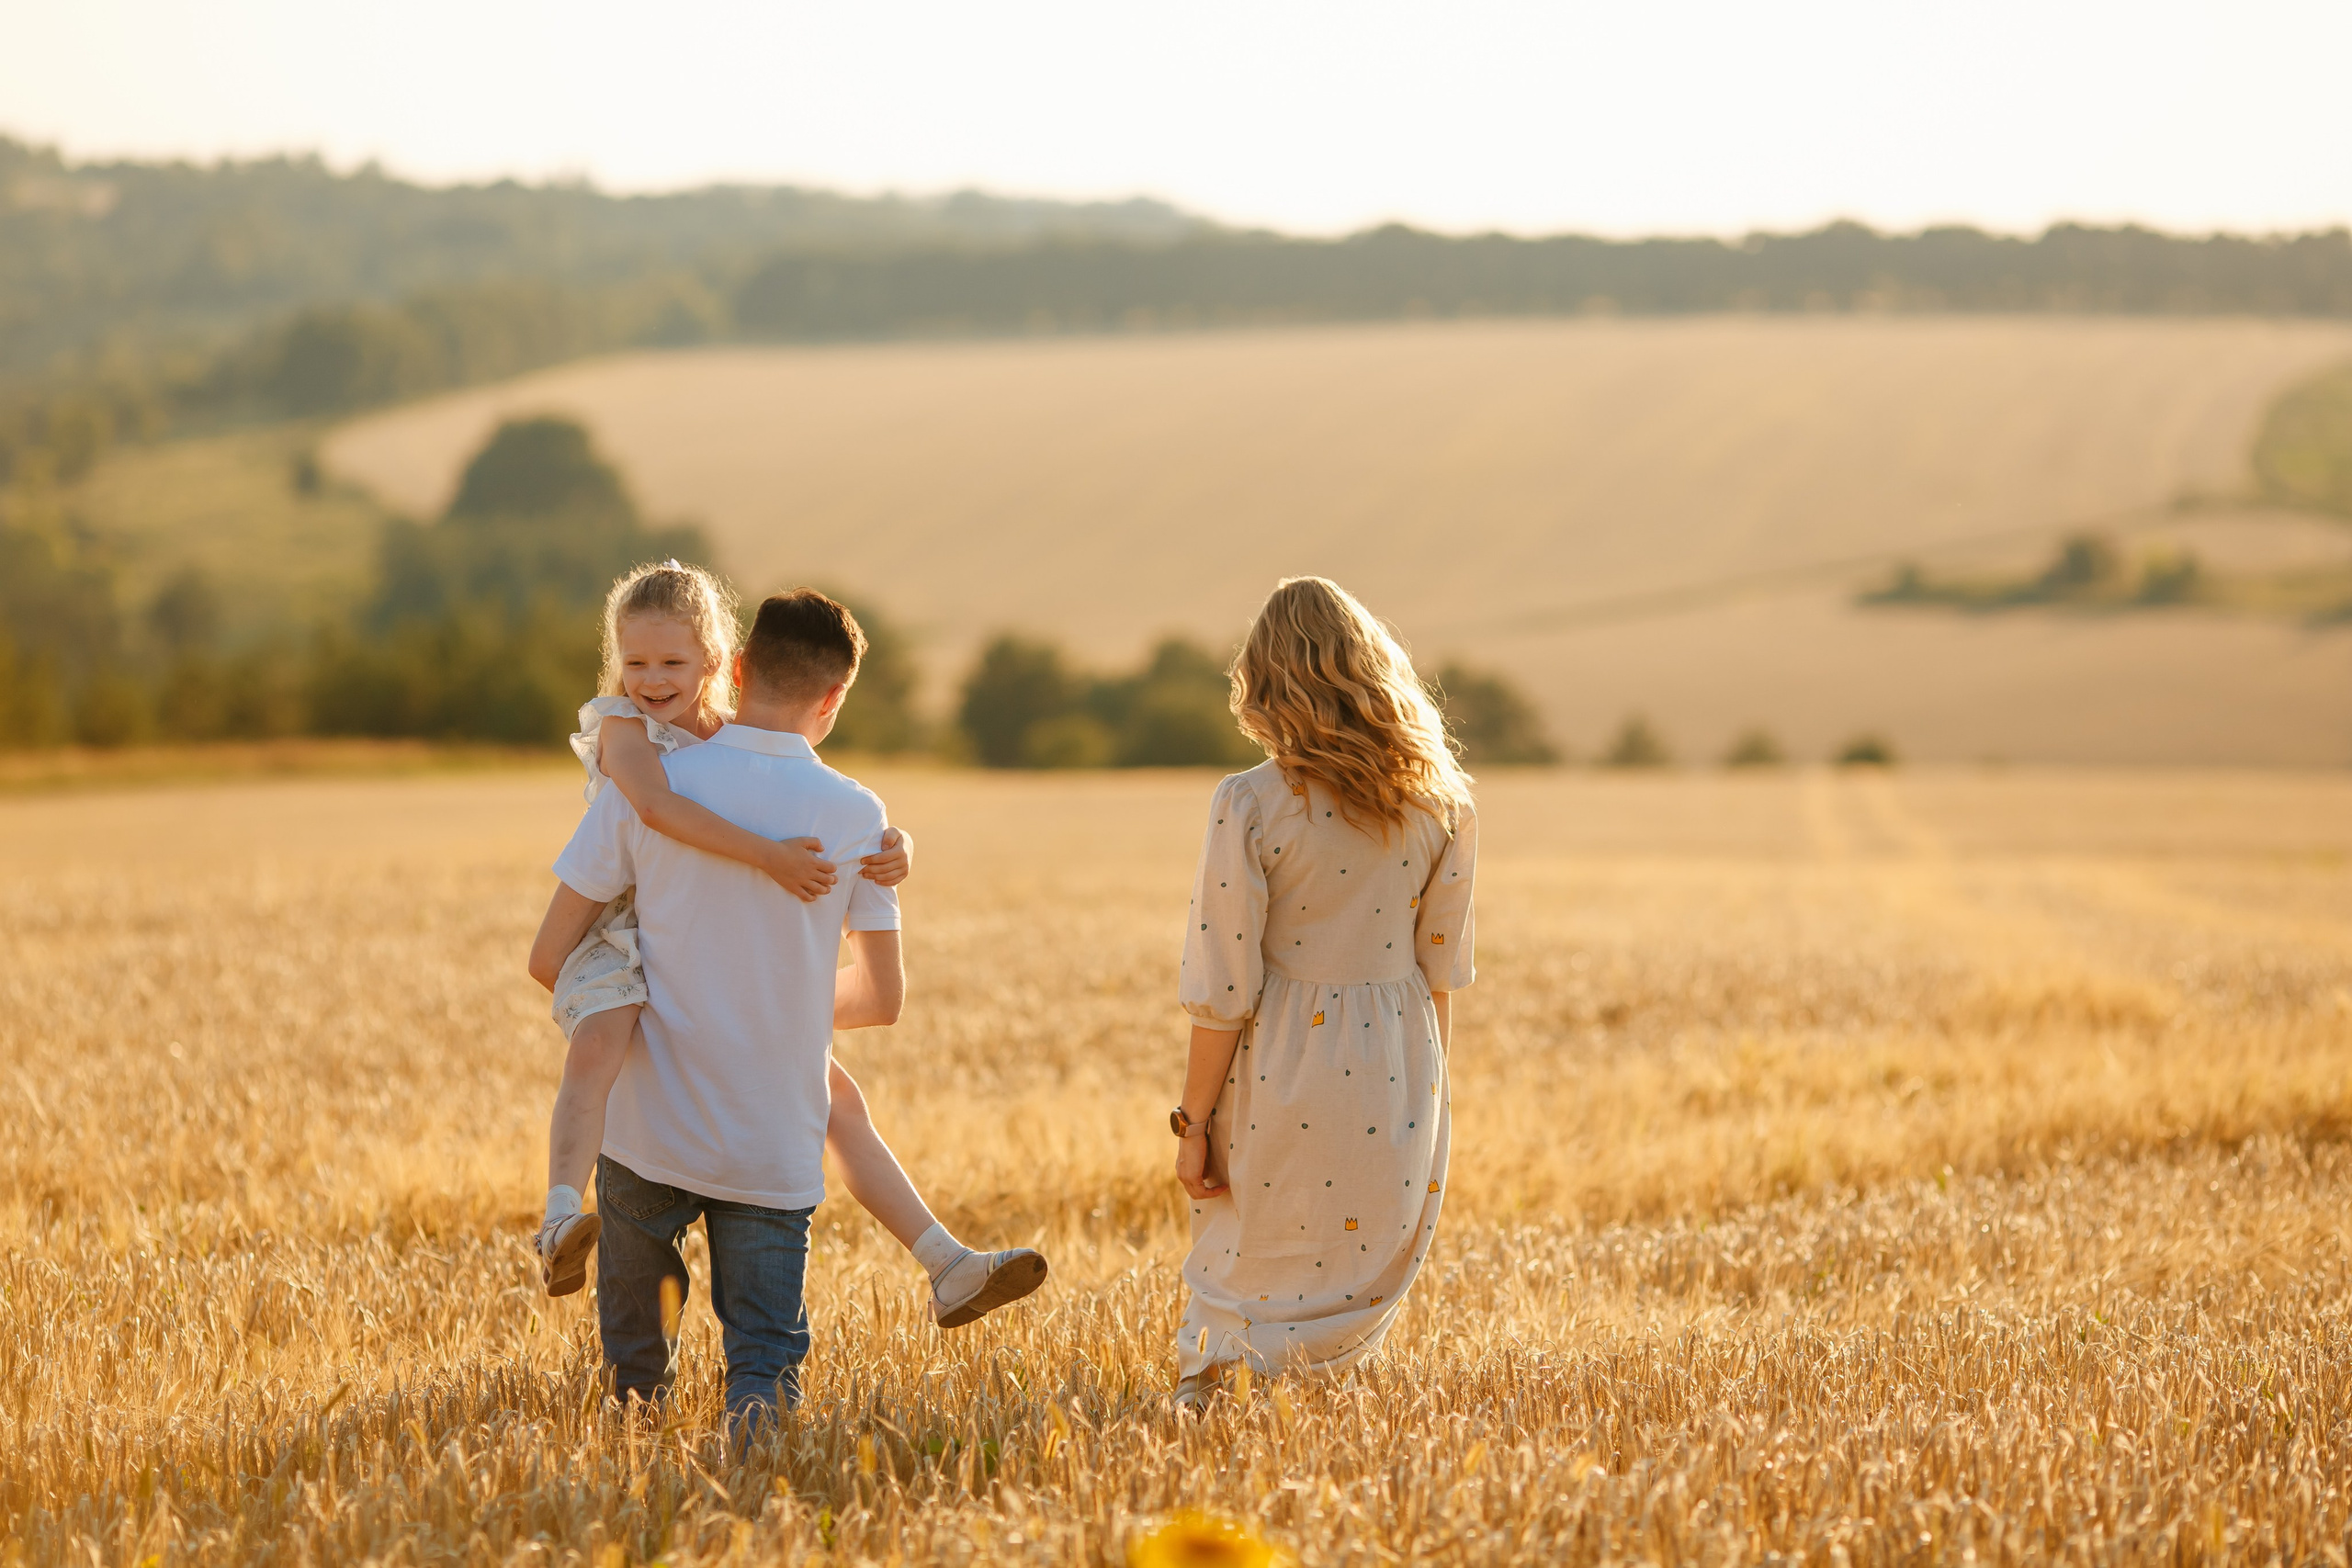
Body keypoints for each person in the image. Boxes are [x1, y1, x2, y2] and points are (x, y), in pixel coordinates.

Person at [527, 582, 1046, 1421]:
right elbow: (881, 999)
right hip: (773, 1135)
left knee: (635, 1385)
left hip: (647, 1127)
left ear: (732, 665)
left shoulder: (650, 782)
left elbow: (552, 953)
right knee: (764, 1375)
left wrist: (667, 998)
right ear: (834, 699)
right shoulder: (858, 817)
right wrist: (776, 1003)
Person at [1167, 576, 1477, 1411]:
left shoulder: (1250, 802)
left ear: (1264, 682)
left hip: (1283, 1063)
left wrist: (1192, 1124)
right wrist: (1436, 1095)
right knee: (1359, 1267)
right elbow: (1440, 971)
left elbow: (1224, 988)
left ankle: (1216, 1425)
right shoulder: (1444, 802)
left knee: (1249, 1259)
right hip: (1401, 1059)